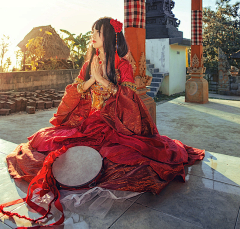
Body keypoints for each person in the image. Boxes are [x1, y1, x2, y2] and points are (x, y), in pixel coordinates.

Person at [6, 17, 205, 195]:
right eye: (92, 32)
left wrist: (102, 79)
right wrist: (93, 79)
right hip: (87, 118)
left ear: (108, 36)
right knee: (44, 138)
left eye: (97, 32)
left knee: (125, 157)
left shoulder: (123, 66)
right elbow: (76, 89)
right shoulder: (88, 63)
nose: (92, 36)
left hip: (113, 121)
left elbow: (128, 97)